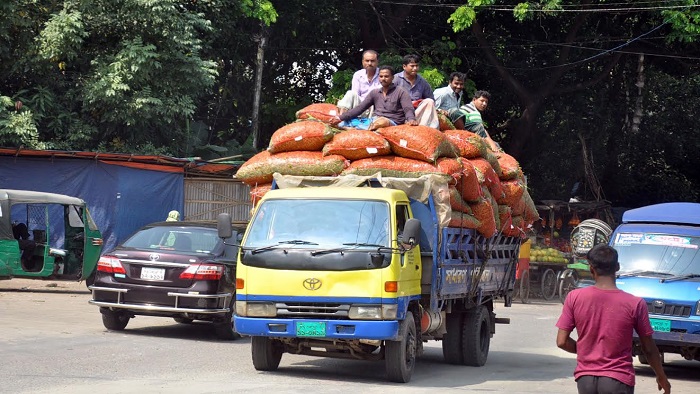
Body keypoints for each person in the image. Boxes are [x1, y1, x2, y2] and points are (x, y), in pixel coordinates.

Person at [556, 244, 671, 394]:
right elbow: (649, 349)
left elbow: (561, 341)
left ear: (591, 269)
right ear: (617, 267)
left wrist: (587, 351)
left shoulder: (574, 297)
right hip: (618, 380)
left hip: (585, 380)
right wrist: (661, 376)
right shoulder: (635, 303)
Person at [330, 65, 417, 130]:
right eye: (381, 76)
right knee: (344, 122)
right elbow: (360, 108)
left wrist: (411, 119)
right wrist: (340, 118)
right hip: (373, 120)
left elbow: (408, 108)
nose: (383, 79)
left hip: (391, 122)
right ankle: (361, 129)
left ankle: (365, 130)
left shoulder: (400, 91)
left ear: (392, 78)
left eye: (386, 76)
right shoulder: (375, 92)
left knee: (382, 121)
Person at [393, 54, 439, 129]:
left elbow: (431, 99)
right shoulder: (395, 79)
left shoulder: (422, 81)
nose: (415, 68)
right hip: (399, 113)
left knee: (429, 101)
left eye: (417, 66)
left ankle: (425, 129)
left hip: (417, 113)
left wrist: (416, 103)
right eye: (412, 66)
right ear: (404, 66)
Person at [337, 50, 381, 116]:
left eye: (372, 61)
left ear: (377, 62)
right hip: (360, 106)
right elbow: (355, 94)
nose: (369, 63)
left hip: (375, 108)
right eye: (367, 61)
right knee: (350, 93)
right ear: (363, 62)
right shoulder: (358, 75)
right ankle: (342, 118)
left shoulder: (383, 75)